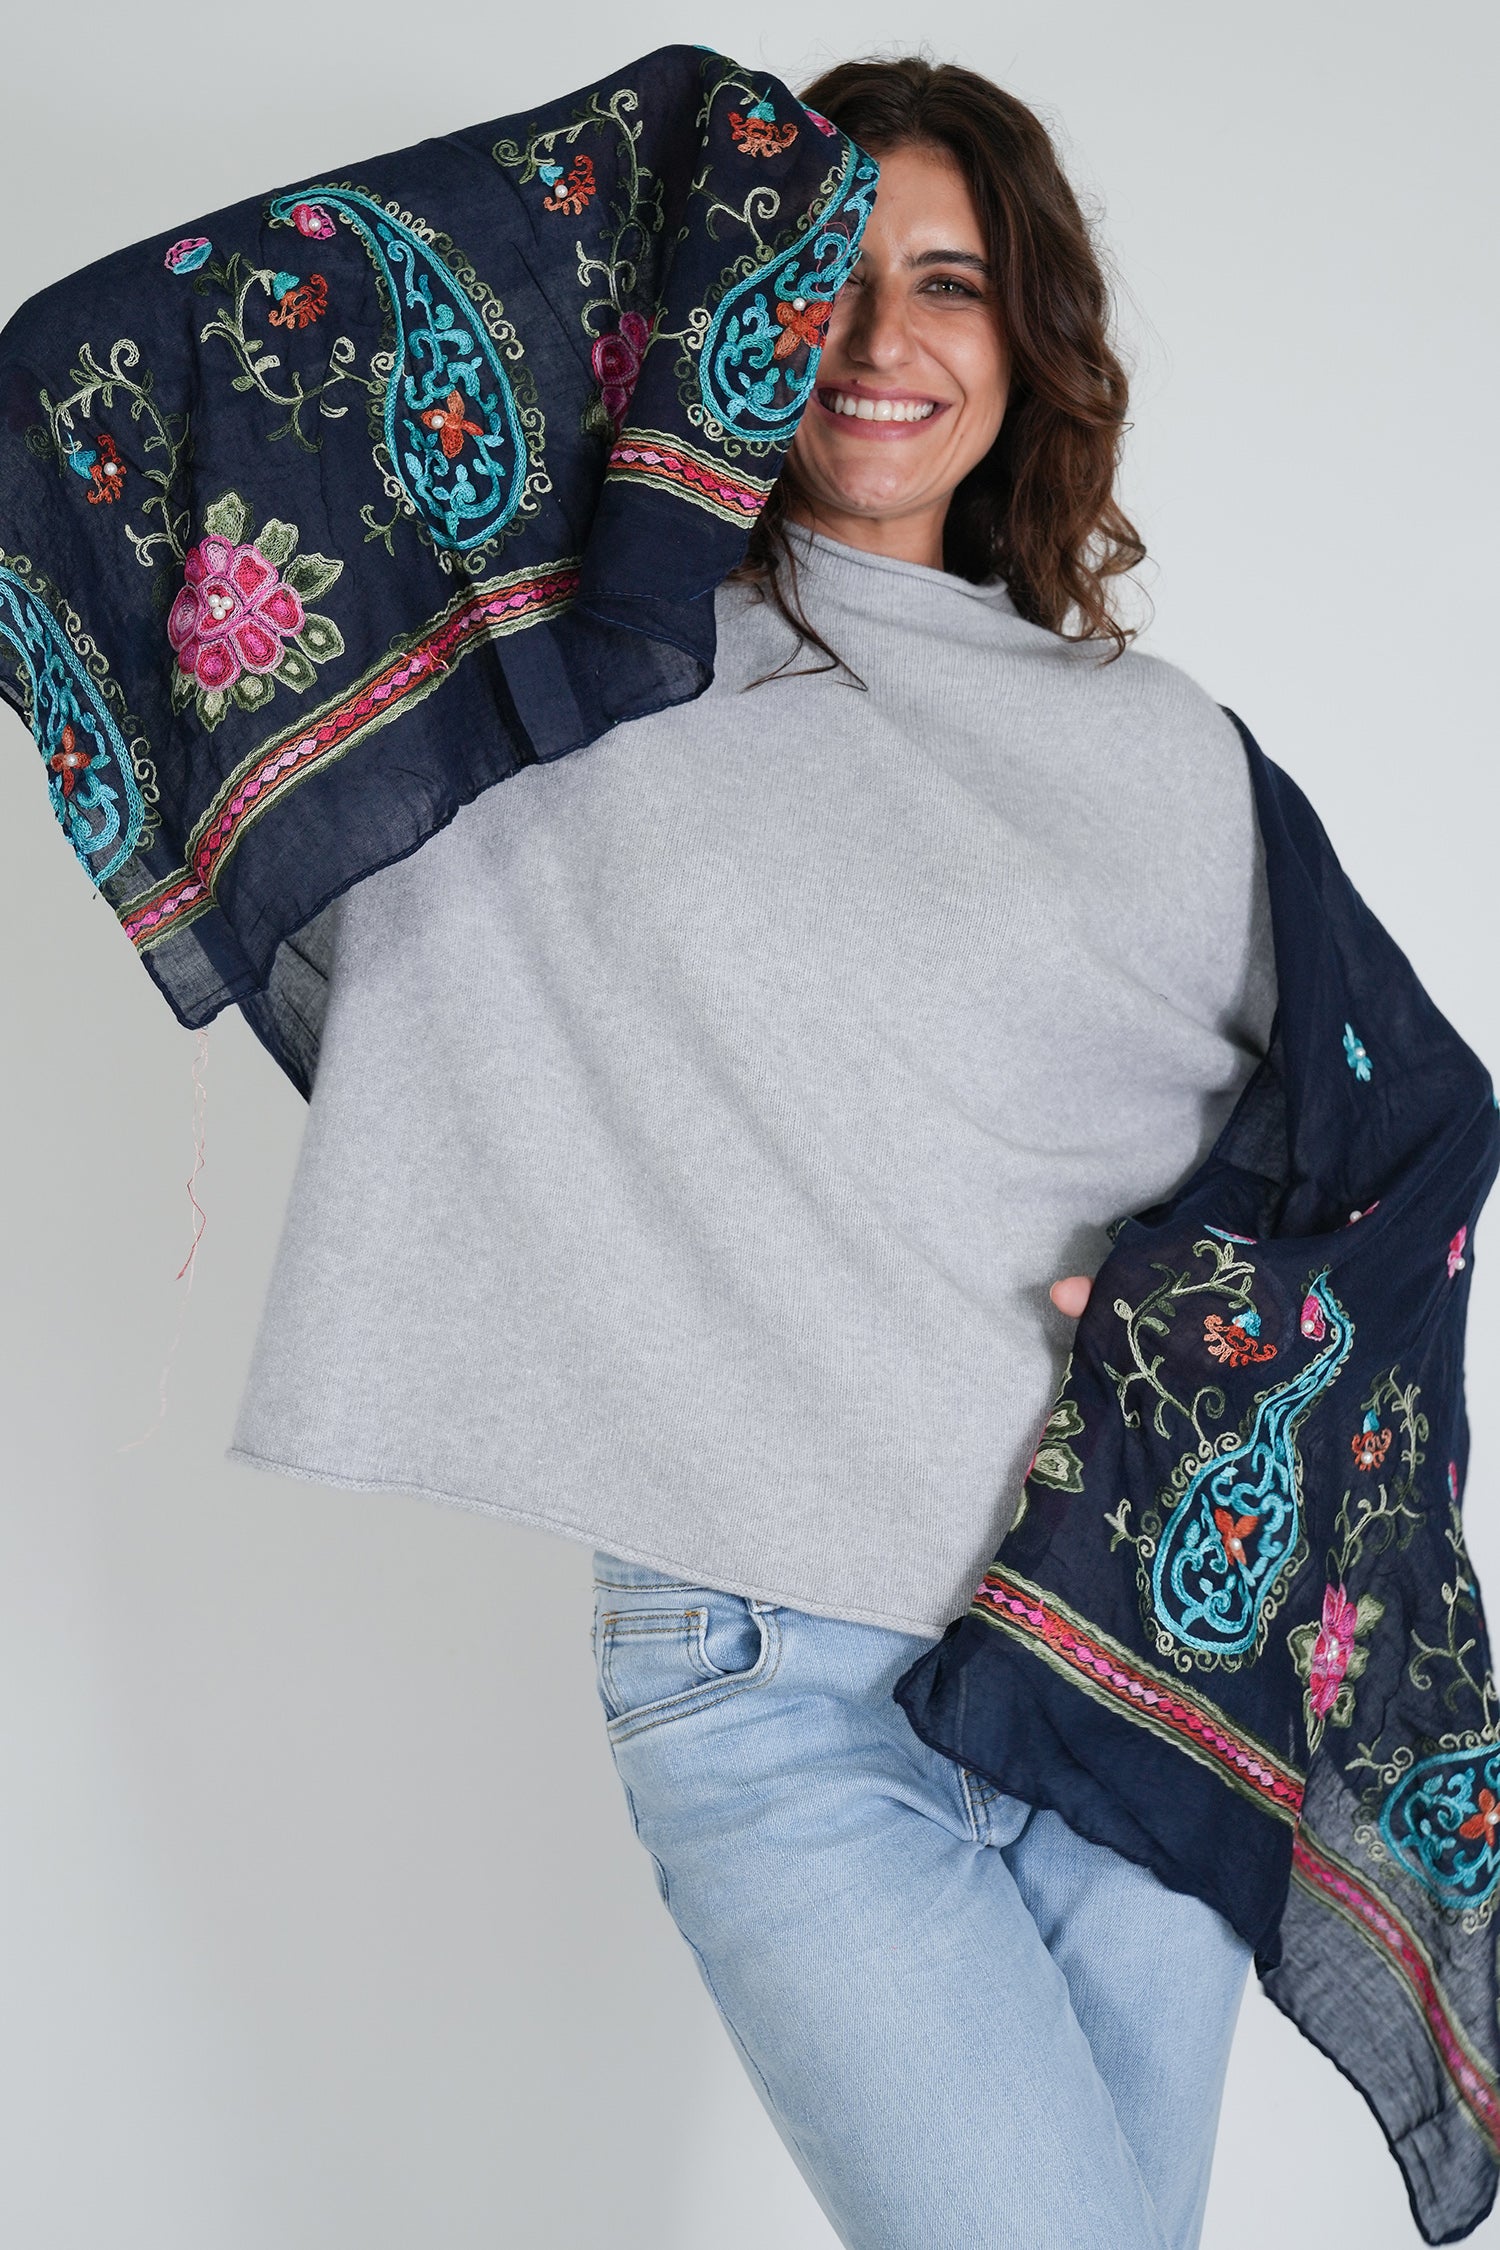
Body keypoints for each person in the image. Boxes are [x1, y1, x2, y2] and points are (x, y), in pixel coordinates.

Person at [229, 57, 1275, 2250]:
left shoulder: (1156, 754)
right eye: (817, 278)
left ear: (1031, 340)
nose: (883, 341)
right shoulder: (562, 679)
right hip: (775, 1683)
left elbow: (1359, 1139)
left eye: (951, 282)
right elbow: (187, 422)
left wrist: (1195, 1299)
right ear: (717, 314)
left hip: (1116, 1649)